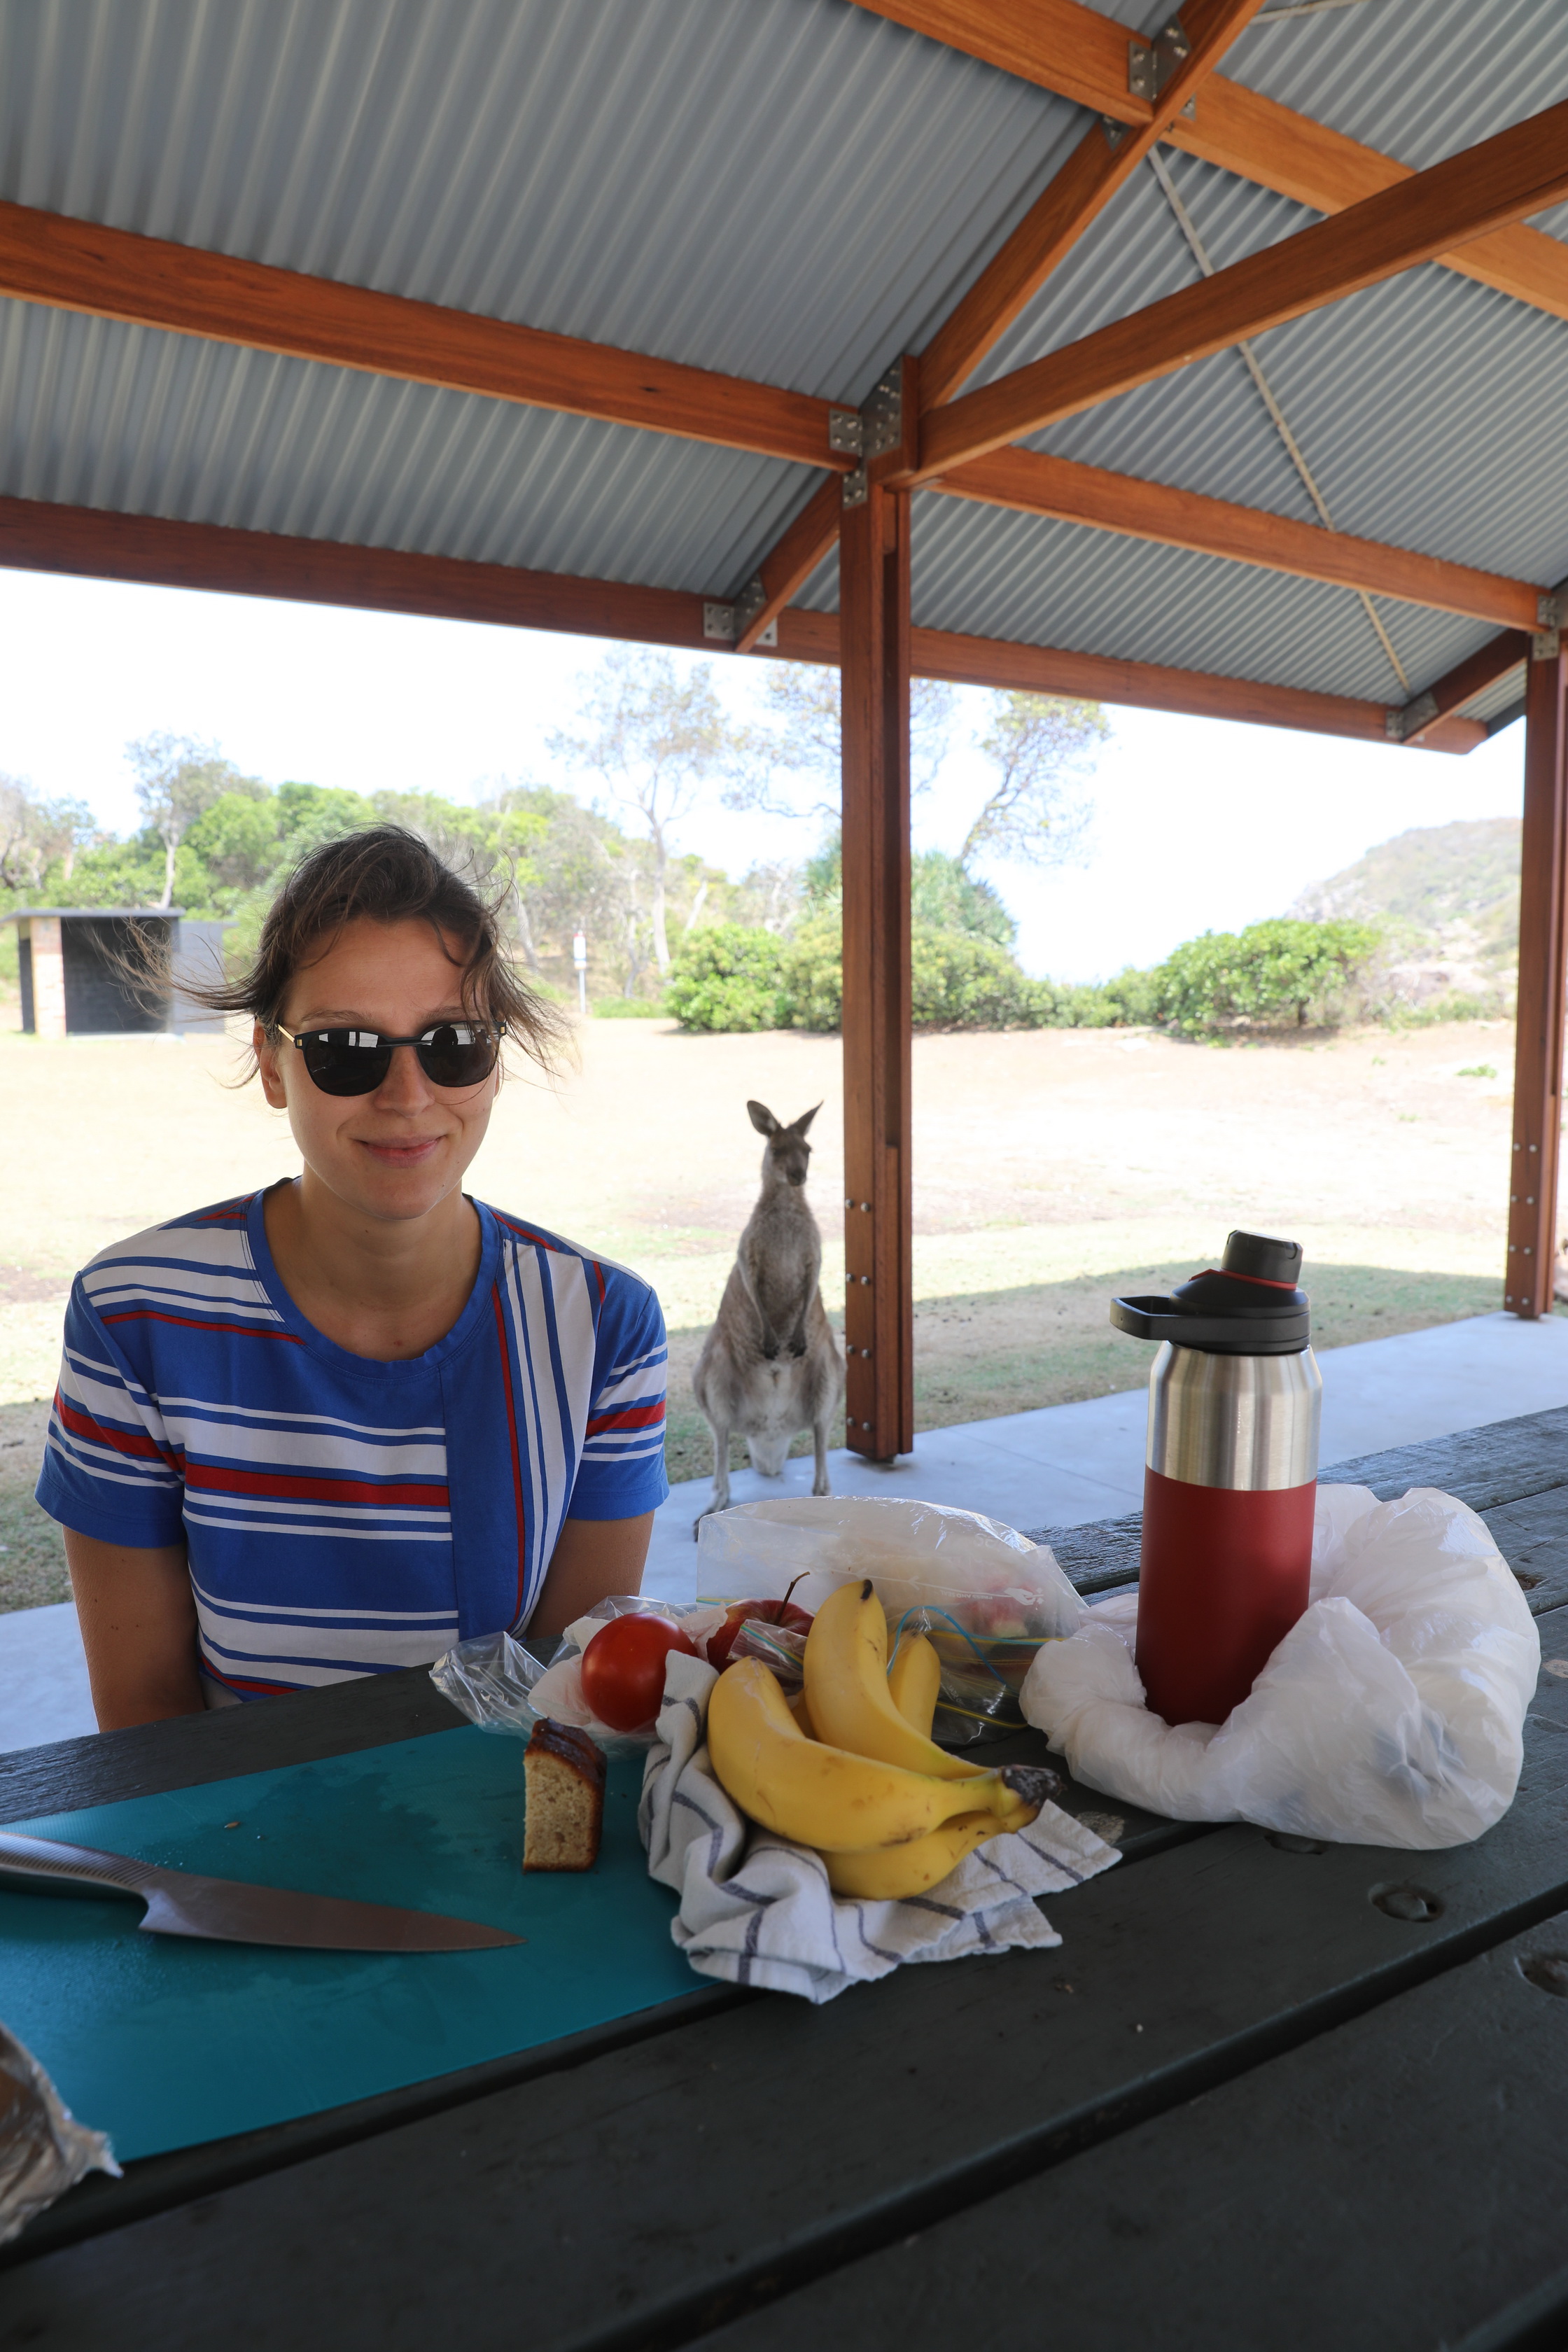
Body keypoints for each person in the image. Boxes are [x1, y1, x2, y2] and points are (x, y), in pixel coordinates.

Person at [35, 827, 668, 1731]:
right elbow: (147, 1719)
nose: (407, 1095)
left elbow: (575, 1696)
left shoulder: (602, 1324)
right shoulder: (135, 1317)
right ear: (271, 1064)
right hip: (233, 1831)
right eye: (345, 1047)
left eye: (452, 1043)